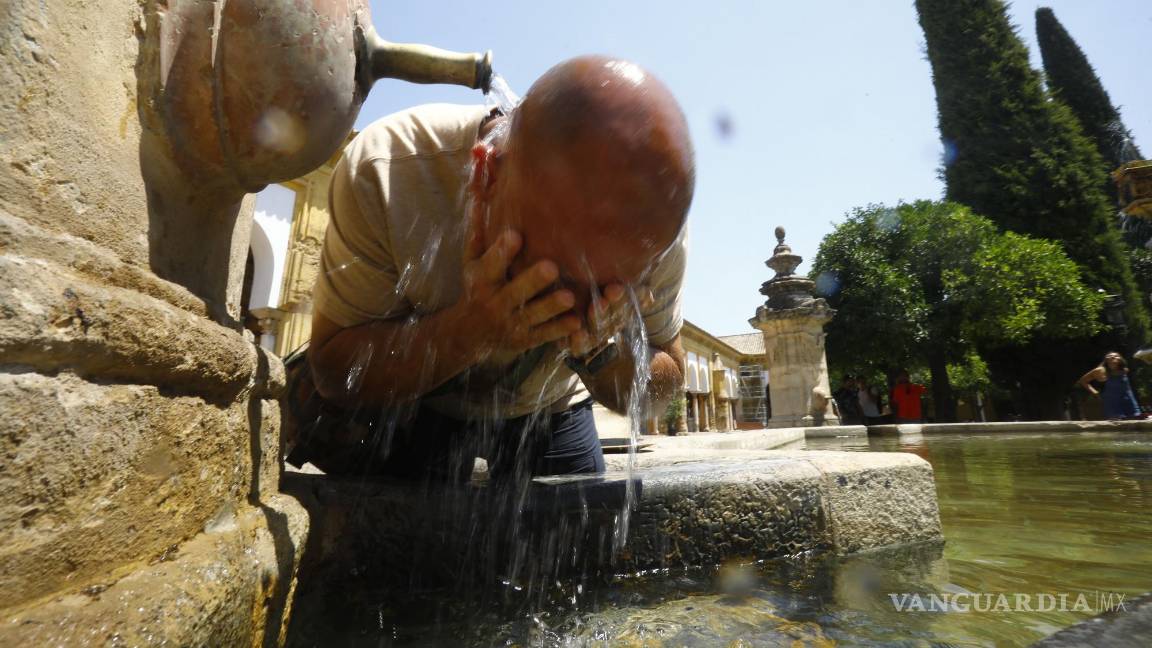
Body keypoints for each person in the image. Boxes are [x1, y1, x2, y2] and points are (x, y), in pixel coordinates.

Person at [286, 56, 694, 485]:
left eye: (602, 288)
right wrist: (470, 330)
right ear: (485, 174)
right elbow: (333, 372)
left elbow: (664, 387)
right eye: (549, 277)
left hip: (550, 405)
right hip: (417, 402)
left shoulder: (656, 232)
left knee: (582, 537)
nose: (564, 305)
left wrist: (599, 354)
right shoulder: (390, 169)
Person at [1077, 352, 1143, 420]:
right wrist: (1095, 392)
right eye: (1110, 355)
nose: (1113, 356)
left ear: (1120, 359)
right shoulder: (1100, 371)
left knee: (1135, 422)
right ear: (1106, 359)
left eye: (1116, 356)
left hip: (1129, 401)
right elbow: (1083, 381)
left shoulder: (1124, 370)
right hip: (1112, 402)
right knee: (1118, 424)